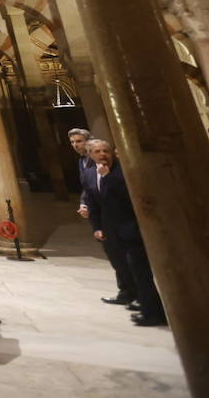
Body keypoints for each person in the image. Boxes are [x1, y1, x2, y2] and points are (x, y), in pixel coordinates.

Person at [83, 139, 166, 326]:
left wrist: (108, 177)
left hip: (130, 229)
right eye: (97, 151)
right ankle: (138, 301)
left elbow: (131, 196)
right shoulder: (89, 174)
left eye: (106, 150)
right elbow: (93, 202)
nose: (102, 154)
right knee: (122, 268)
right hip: (110, 232)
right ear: (90, 154)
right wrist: (96, 227)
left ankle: (152, 312)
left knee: (141, 272)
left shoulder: (122, 171)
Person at [70, 128, 136, 307]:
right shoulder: (83, 162)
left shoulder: (106, 164)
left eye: (79, 141)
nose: (76, 145)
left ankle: (134, 292)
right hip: (102, 216)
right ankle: (126, 291)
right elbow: (88, 187)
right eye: (73, 142)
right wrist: (85, 204)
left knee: (129, 259)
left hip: (120, 216)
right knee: (115, 256)